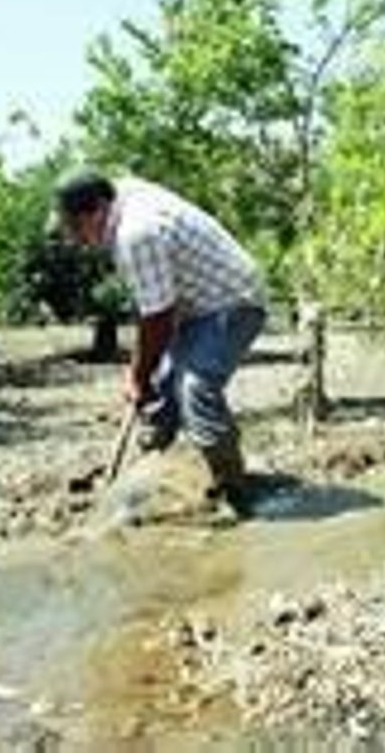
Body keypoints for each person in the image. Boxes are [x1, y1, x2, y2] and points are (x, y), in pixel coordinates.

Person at [55, 170, 267, 515]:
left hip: (233, 300)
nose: (77, 239)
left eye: (77, 228)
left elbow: (157, 317)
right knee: (160, 384)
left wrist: (136, 375)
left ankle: (234, 490)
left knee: (195, 390)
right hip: (195, 305)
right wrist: (145, 376)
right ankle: (147, 468)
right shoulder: (122, 194)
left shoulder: (136, 233)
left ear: (98, 209)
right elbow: (155, 309)